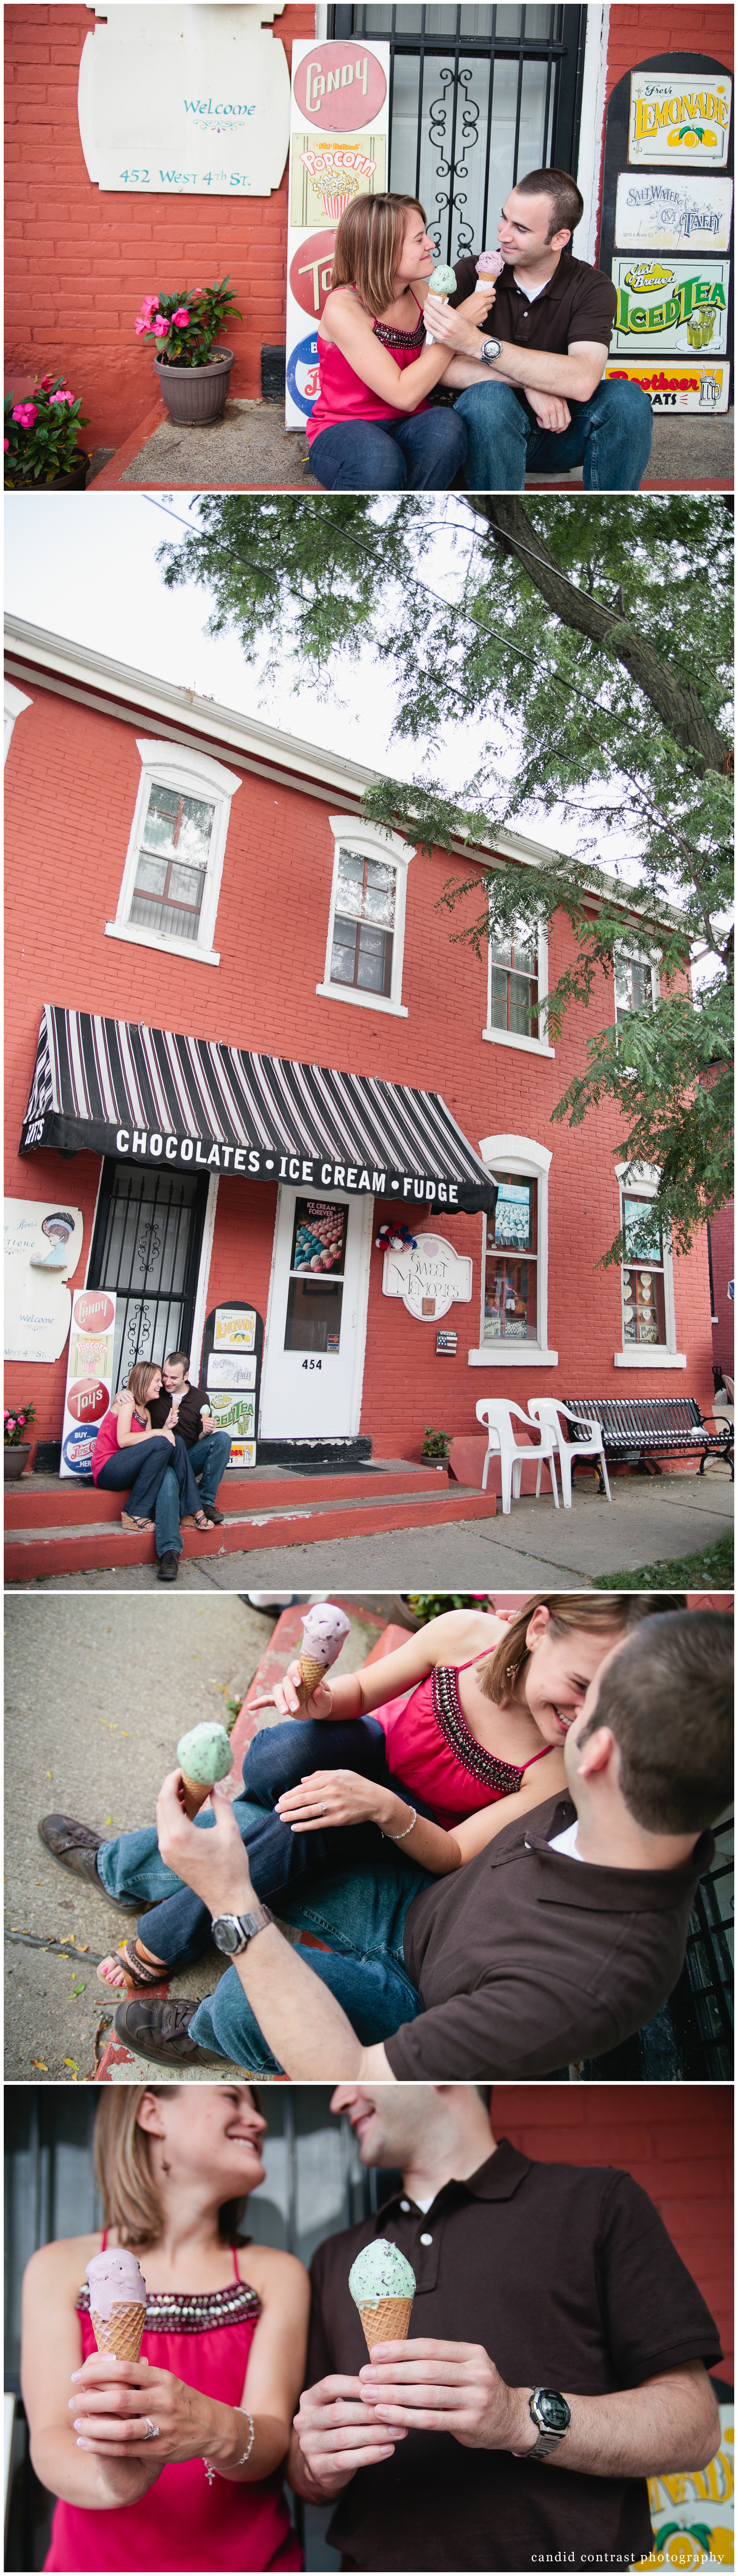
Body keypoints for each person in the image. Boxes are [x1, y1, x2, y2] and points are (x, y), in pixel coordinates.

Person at [39, 1609, 733, 2076]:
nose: (570, 1713)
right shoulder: (631, 1805)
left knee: (252, 1996)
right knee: (290, 1822)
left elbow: (360, 2073)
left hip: (410, 1993)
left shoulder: (595, 1983)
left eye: (596, 1697)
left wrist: (233, 1900)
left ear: (601, 1751)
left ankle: (214, 2030)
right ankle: (124, 1868)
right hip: (416, 1907)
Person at [92, 1594, 650, 1997]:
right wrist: (317, 1697)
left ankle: (164, 1938)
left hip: (413, 1831)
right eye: (581, 1685)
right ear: (538, 1629)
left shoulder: (557, 1766)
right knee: (278, 1758)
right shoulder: (464, 1635)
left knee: (308, 1821)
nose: (586, 1715)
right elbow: (358, 1693)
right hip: (377, 1753)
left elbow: (453, 1854)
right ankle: (275, 1825)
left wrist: (380, 1805)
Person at [290, 2082, 722, 2574]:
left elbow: (696, 2426)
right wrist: (315, 2464)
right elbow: (307, 2478)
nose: (338, 2098)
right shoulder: (335, 2258)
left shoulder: (598, 2202)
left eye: (358, 2071)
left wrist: (517, 2416)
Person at [22, 2083, 309, 2575]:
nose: (258, 2120)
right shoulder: (59, 2266)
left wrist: (207, 2425)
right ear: (152, 2113)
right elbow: (51, 2434)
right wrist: (116, 2482)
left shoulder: (275, 2274)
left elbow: (273, 2439)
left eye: (257, 2107)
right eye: (233, 2097)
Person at [423, 167, 653, 491]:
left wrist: (476, 343)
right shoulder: (470, 273)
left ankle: (613, 510)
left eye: (521, 228)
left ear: (559, 239)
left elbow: (583, 380)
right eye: (504, 218)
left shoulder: (593, 288)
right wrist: (533, 383)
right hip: (485, 435)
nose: (503, 234)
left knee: (628, 399)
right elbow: (435, 366)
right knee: (487, 399)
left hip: (561, 430)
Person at [305, 193, 484, 491]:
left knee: (447, 425)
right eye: (419, 240)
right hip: (343, 428)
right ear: (382, 250)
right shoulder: (343, 307)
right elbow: (403, 395)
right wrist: (458, 328)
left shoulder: (423, 292)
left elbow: (459, 360)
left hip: (409, 424)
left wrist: (533, 382)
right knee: (379, 459)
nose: (431, 244)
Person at [91, 1363, 210, 1580]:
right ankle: (137, 1510)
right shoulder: (127, 1402)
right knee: (166, 1442)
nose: (161, 1385)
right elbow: (123, 1440)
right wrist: (160, 1432)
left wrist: (164, 1429)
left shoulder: (145, 1412)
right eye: (157, 1381)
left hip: (130, 1470)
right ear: (144, 1382)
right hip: (108, 1469)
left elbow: (149, 1448)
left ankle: (186, 1519)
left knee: (172, 1453)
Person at [148, 1349, 233, 1527]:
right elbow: (135, 1396)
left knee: (223, 1439)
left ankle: (205, 1502)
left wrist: (207, 1433)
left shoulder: (200, 1398)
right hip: (161, 1459)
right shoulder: (156, 1392)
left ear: (186, 1376)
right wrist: (121, 1395)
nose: (167, 1382)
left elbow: (199, 1438)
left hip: (188, 1457)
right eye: (165, 1376)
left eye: (174, 1378)